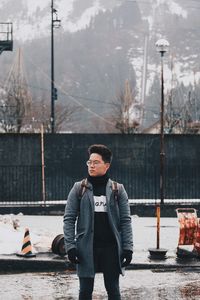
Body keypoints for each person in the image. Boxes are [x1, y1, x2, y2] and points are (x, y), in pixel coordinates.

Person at [63, 144, 133, 300]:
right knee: (85, 291)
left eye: (96, 162)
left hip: (111, 248)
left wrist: (128, 248)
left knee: (113, 291)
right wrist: (71, 247)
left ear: (106, 166)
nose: (91, 166)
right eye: (89, 162)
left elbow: (126, 221)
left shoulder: (118, 190)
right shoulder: (78, 189)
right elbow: (69, 219)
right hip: (86, 248)